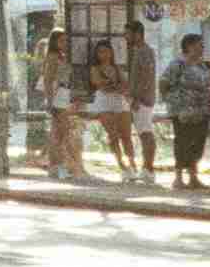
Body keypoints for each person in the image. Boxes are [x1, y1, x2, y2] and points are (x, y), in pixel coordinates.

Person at [160, 31, 210, 189]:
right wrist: (172, 102)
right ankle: (178, 177)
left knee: (198, 143)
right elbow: (164, 83)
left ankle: (193, 176)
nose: (202, 48)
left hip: (203, 110)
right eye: (200, 45)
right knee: (183, 142)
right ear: (189, 46)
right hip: (182, 112)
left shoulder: (204, 65)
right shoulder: (177, 64)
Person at [87, 38, 139, 182]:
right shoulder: (95, 69)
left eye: (106, 51)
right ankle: (122, 165)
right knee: (113, 134)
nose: (103, 55)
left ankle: (133, 164)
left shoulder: (117, 68)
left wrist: (117, 86)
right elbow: (99, 83)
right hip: (104, 102)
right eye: (100, 52)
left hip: (120, 101)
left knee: (126, 135)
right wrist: (114, 85)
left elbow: (125, 85)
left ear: (111, 52)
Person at [37, 31, 81, 178]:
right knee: (61, 132)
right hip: (57, 95)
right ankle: (59, 166)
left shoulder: (62, 56)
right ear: (54, 42)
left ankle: (54, 166)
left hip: (64, 94)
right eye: (61, 41)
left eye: (66, 41)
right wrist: (50, 101)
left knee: (59, 133)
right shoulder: (53, 57)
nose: (64, 44)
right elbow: (48, 80)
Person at [125, 19, 161, 178]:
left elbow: (146, 77)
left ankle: (148, 168)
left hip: (142, 99)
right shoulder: (139, 50)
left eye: (128, 33)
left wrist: (137, 98)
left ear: (137, 34)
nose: (126, 37)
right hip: (141, 98)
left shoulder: (144, 51)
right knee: (143, 132)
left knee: (145, 132)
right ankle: (147, 168)